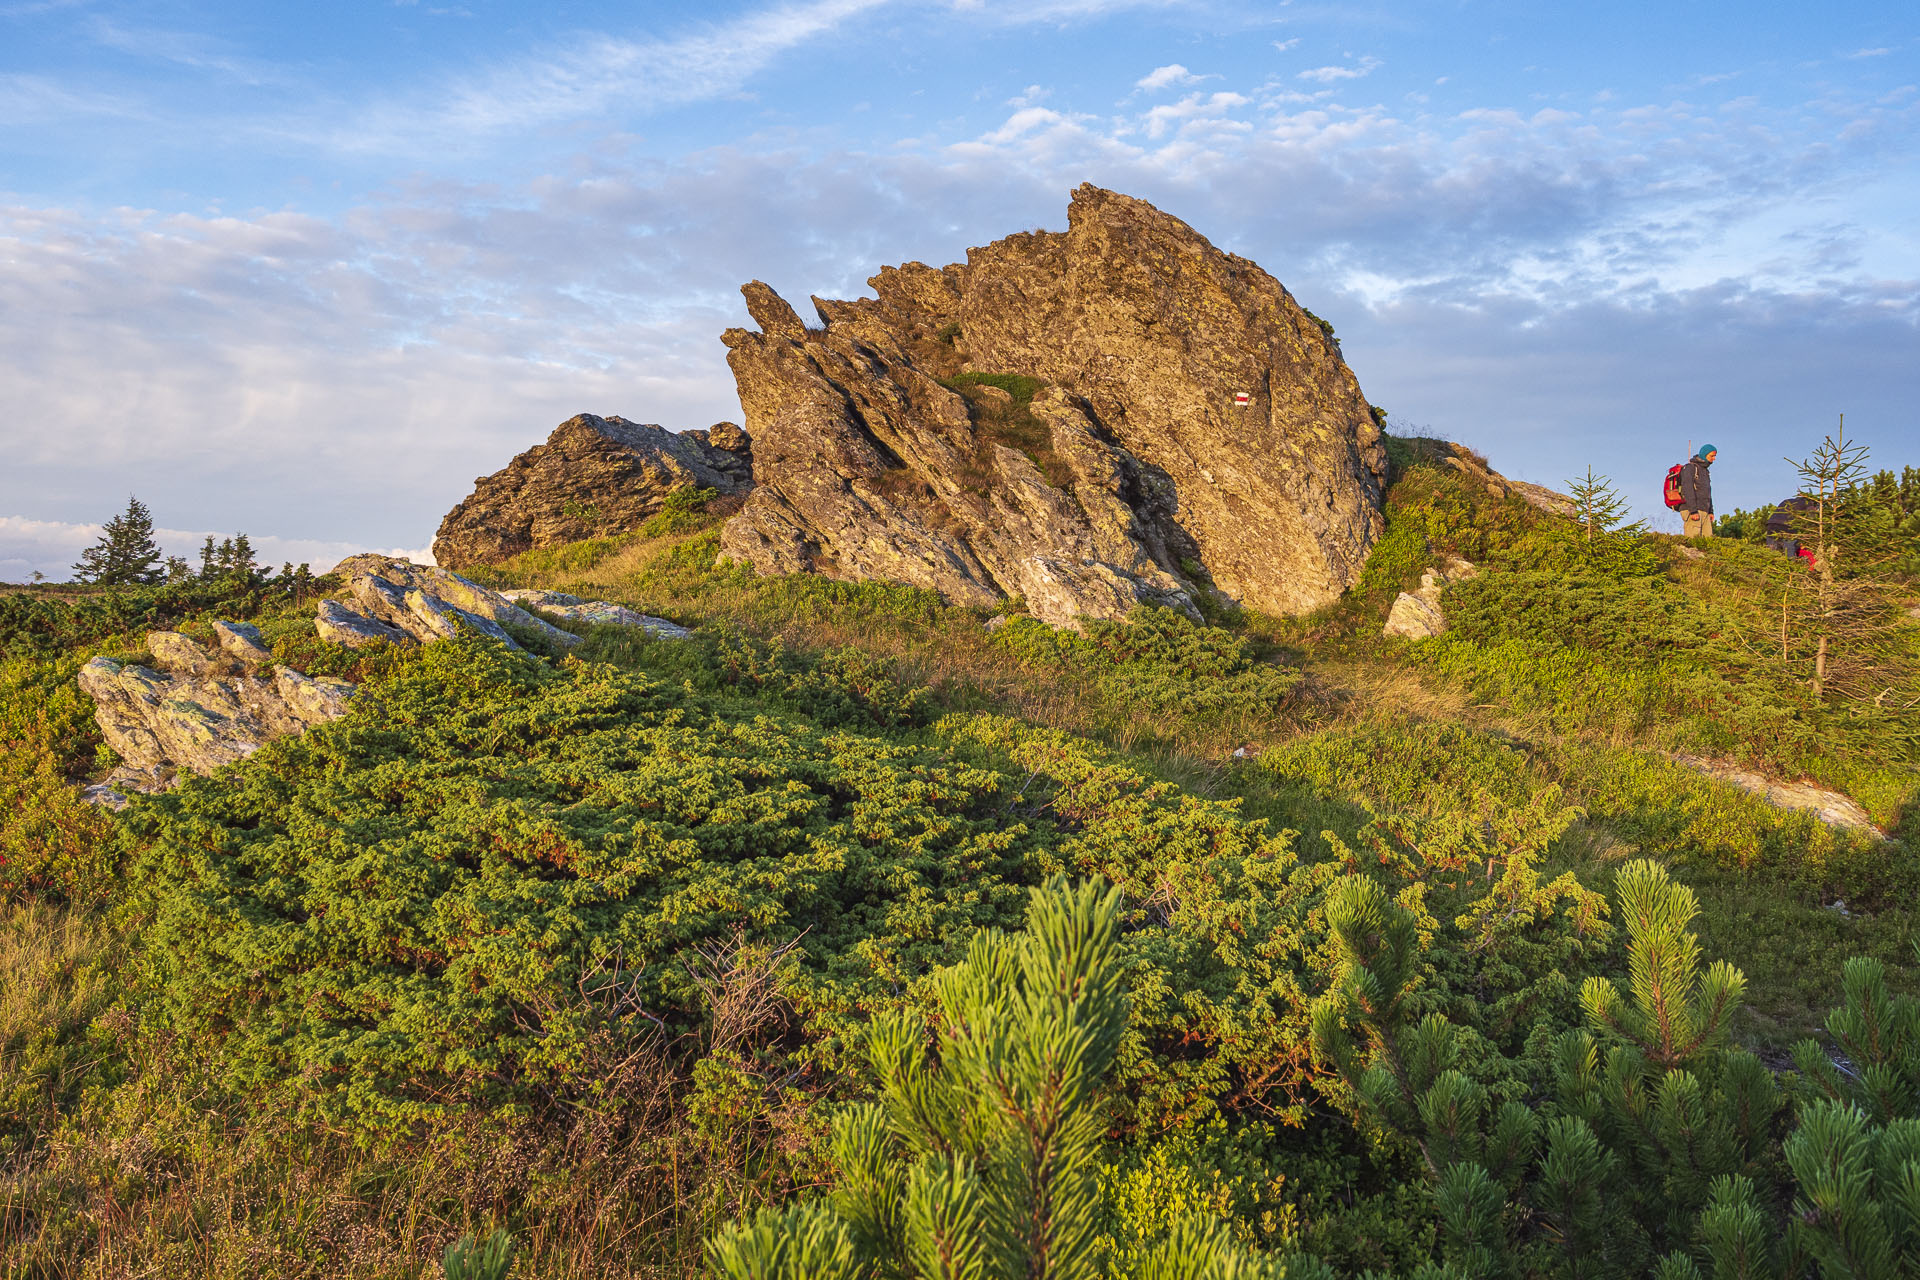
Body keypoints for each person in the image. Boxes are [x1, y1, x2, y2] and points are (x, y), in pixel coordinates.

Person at [1765, 494, 1819, 567]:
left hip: (1771, 525)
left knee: (1772, 551)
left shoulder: (1787, 501)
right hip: (1788, 527)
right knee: (1790, 551)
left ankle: (1769, 570)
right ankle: (1791, 572)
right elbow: (1811, 519)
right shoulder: (1809, 503)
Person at [1680, 443, 1717, 538]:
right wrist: (1693, 511)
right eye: (1712, 456)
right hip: (1693, 510)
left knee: (1708, 542)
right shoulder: (1690, 468)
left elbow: (1707, 492)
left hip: (1704, 511)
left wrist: (1710, 511)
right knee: (1693, 541)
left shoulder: (1705, 471)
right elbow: (1687, 489)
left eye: (1714, 456)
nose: (1714, 458)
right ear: (1704, 455)